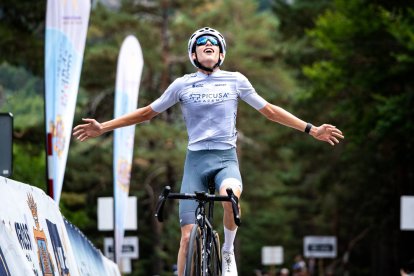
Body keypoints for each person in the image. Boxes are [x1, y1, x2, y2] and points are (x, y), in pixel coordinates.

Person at [72, 27, 344, 275]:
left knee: (229, 197)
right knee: (188, 236)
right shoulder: (181, 84)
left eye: (214, 42)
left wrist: (311, 129)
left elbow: (270, 111)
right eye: (201, 42)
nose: (208, 44)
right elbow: (146, 113)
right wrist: (103, 127)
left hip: (225, 158)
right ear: (194, 53)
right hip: (196, 161)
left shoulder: (236, 80)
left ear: (221, 53)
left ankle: (227, 251)